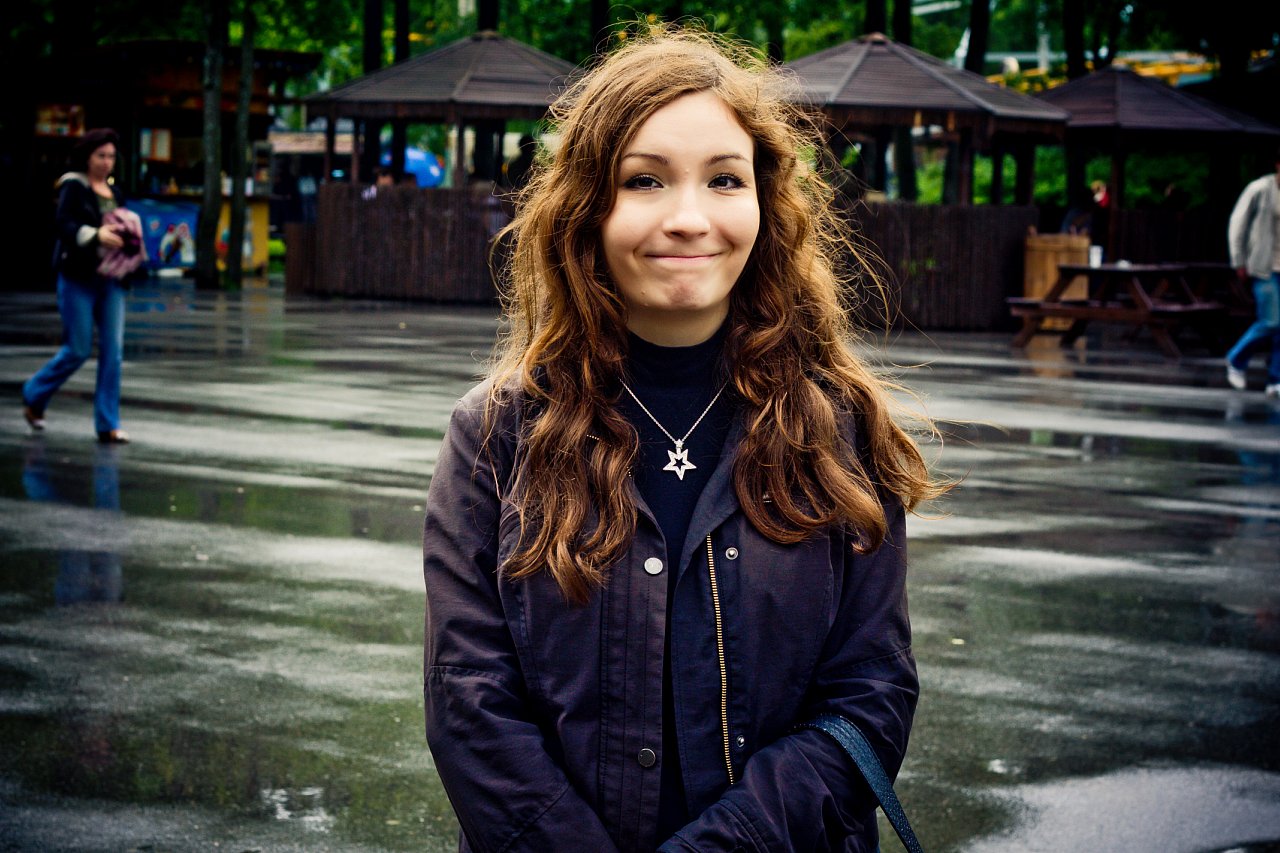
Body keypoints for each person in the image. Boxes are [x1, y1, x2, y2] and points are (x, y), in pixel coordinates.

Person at [421, 28, 945, 852]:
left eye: (725, 179)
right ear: (587, 207)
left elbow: (869, 697)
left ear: (766, 202)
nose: (689, 218)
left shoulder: (839, 429)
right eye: (645, 180)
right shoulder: (494, 434)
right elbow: (468, 701)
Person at [23, 128, 132, 443]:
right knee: (78, 349)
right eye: (101, 156)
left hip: (111, 278)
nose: (106, 162)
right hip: (78, 277)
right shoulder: (73, 185)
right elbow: (63, 224)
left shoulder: (115, 191)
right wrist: (95, 234)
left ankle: (108, 424)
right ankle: (34, 392)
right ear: (87, 157)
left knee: (113, 352)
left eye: (111, 157)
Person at [1226, 150, 1280, 398]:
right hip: (1263, 266)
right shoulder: (1260, 189)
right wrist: (1238, 259)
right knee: (1271, 321)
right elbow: (1237, 223)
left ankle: (1276, 380)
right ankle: (1236, 358)